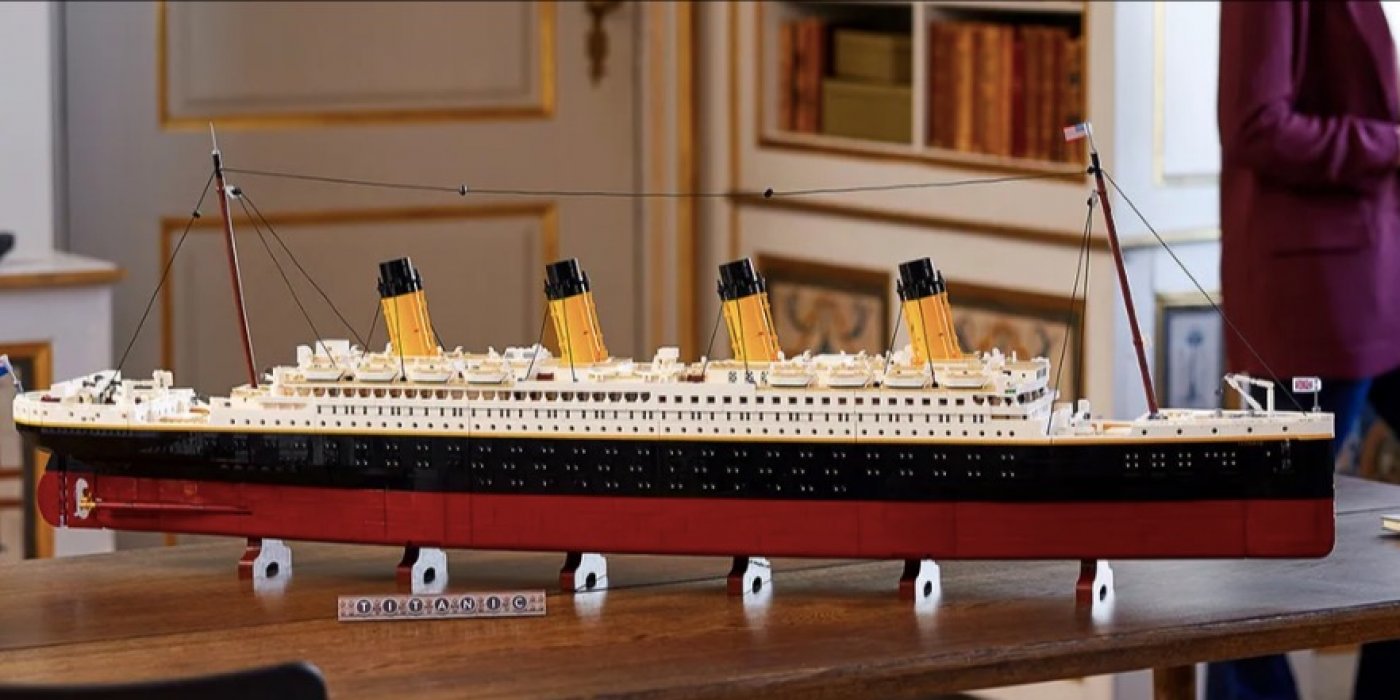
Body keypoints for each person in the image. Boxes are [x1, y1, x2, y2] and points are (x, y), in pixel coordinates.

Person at [1217, 1, 1400, 698]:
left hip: (1378, 270)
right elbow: (1256, 125)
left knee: (1266, 535)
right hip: (1314, 291)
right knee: (1265, 547)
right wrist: (1389, 144)